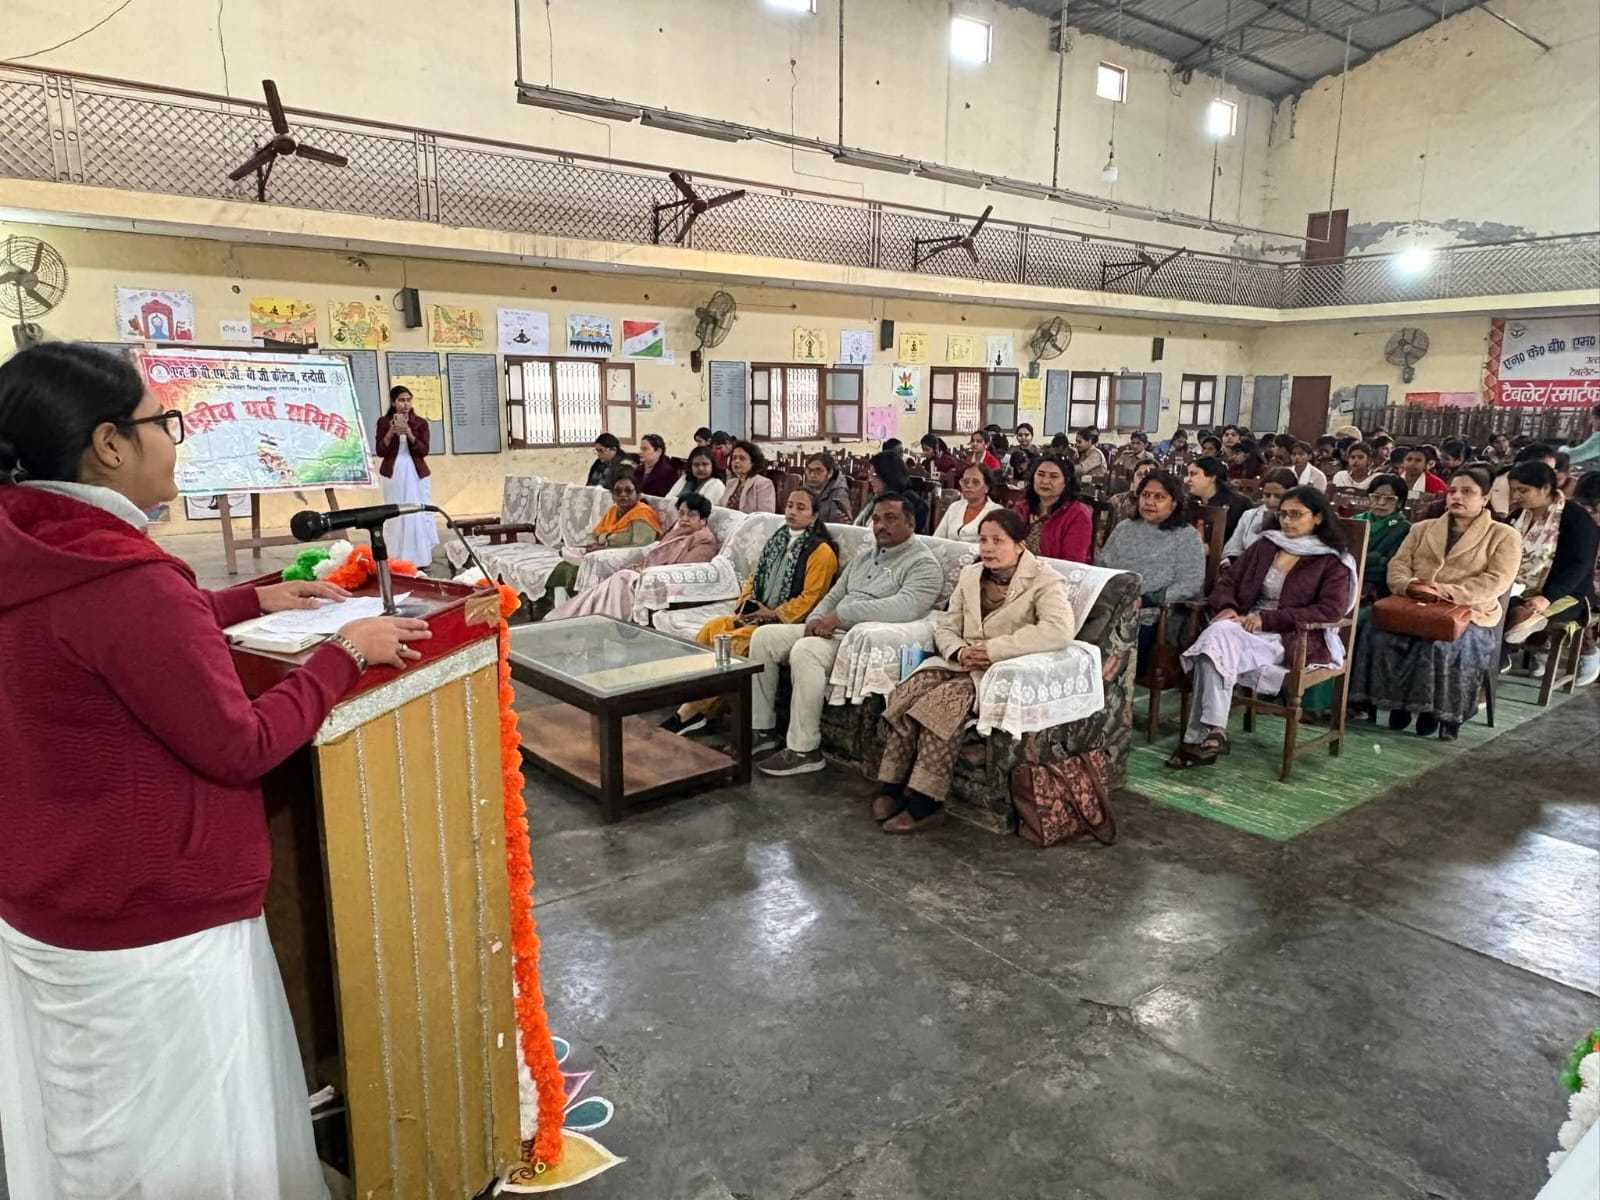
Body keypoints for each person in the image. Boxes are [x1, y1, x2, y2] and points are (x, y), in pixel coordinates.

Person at [0, 342, 429, 1197]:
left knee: (88, 1138)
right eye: (163, 420)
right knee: (183, 1155)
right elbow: (241, 745)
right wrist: (344, 653)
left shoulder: (35, 548)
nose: (175, 437)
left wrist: (240, 600)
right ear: (110, 444)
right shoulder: (125, 579)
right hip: (152, 926)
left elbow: (98, 638)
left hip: (46, 898)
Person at [873, 509, 1074, 832]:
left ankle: (926, 803)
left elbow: (1058, 631)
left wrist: (993, 650)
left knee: (941, 707)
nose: (988, 548)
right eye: (983, 540)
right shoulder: (971, 575)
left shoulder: (1044, 580)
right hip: (959, 661)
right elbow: (947, 624)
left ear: (1019, 545)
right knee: (907, 693)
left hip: (995, 671)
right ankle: (893, 785)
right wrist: (958, 650)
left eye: (998, 540)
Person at [753, 494, 943, 776]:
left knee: (806, 650)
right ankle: (761, 730)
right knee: (764, 638)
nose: (881, 526)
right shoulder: (865, 556)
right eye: (876, 519)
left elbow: (905, 607)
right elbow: (835, 593)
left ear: (911, 523)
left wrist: (841, 617)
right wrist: (815, 619)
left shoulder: (924, 564)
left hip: (861, 640)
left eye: (890, 518)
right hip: (833, 628)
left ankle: (804, 750)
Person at [1166, 487, 1356, 767]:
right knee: (1217, 636)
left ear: (1317, 517)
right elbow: (1228, 580)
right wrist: (1228, 606)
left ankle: (1203, 735)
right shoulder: (1266, 545)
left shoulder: (1331, 559)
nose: (1287, 521)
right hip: (1245, 626)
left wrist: (1268, 620)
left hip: (1291, 635)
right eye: (1283, 514)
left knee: (1212, 647)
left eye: (1296, 514)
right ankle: (1214, 733)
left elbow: (1330, 610)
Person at [1347, 465, 1522, 740]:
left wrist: (1444, 592)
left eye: (1467, 492)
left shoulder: (1503, 535)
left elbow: (1496, 581)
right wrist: (1409, 585)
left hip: (1469, 611)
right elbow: (1398, 565)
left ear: (1485, 498)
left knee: (1441, 644)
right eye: (1452, 491)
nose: (1457, 497)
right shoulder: (1422, 528)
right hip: (1415, 603)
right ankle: (1395, 705)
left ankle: (1437, 714)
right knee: (1375, 630)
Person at [662, 489, 840, 735]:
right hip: (757, 615)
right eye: (790, 505)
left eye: (801, 508)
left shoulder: (822, 552)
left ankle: (691, 713)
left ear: (814, 516)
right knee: (712, 629)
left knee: (733, 644)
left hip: (783, 624)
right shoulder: (777, 540)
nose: (792, 512)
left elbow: (812, 597)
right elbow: (754, 578)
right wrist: (747, 603)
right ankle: (700, 709)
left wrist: (772, 614)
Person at [547, 492, 721, 622]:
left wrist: (646, 573)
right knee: (613, 581)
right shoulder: (678, 532)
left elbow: (685, 571)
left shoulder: (704, 540)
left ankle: (597, 621)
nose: (684, 518)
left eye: (691, 515)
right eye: (681, 513)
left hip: (666, 583)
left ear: (703, 520)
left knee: (623, 577)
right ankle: (577, 618)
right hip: (649, 576)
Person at [1097, 470, 1206, 668]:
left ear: (1174, 503)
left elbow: (1191, 582)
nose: (1149, 502)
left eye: (1159, 497)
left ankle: (1109, 676)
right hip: (1113, 603)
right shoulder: (1125, 528)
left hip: (1156, 611)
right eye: (1145, 495)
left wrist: (1149, 599)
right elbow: (1102, 566)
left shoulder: (1186, 536)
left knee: (1119, 630)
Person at [1502, 460, 1599, 645]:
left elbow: (1580, 564)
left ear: (1545, 489)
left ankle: (1522, 623)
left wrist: (1547, 597)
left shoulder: (1575, 518)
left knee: (1509, 616)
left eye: (1522, 490)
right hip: (1519, 589)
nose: (1515, 496)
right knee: (1491, 609)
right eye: (1513, 490)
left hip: (1567, 593)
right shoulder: (1517, 516)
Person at [538, 474, 661, 612]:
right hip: (598, 558)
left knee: (576, 570)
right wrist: (593, 545)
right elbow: (595, 534)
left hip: (625, 563)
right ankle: (561, 611)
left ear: (638, 495)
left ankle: (583, 612)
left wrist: (604, 549)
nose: (623, 495)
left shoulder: (643, 514)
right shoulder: (614, 511)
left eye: (628, 491)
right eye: (618, 491)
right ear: (612, 496)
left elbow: (642, 548)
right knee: (565, 567)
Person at [374, 384, 438, 566]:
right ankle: (396, 557)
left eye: (408, 400)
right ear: (393, 402)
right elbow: (380, 451)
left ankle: (420, 557)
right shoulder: (383, 422)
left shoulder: (420, 423)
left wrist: (409, 433)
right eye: (401, 400)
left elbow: (424, 450)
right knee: (396, 513)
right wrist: (390, 432)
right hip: (393, 472)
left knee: (416, 511)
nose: (405, 404)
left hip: (416, 472)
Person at [1016, 454, 1093, 563]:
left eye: (1054, 476)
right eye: (1040, 474)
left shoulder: (1078, 514)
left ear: (1066, 482)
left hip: (1057, 571)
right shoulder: (1022, 507)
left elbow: (1072, 562)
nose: (1045, 481)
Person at [1354, 474, 1412, 601]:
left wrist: (1359, 560)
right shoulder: (1355, 521)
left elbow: (1388, 566)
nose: (1381, 502)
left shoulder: (1405, 529)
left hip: (1378, 589)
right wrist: (1375, 558)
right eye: (1376, 497)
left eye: (1389, 499)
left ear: (1400, 502)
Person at [1223, 467, 1297, 560]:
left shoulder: (1298, 521)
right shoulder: (1249, 515)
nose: (1271, 501)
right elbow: (1233, 547)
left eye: (1278, 496)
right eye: (1267, 495)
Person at [1569, 471, 1600, 686]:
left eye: (1594, 508)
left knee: (1581, 595)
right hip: (1583, 582)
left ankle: (1588, 651)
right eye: (1584, 507)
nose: (1588, 512)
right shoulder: (1577, 523)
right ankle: (1540, 647)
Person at [855, 449, 927, 533]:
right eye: (869, 473)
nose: (870, 479)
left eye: (874, 474)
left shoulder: (906, 502)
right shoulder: (877, 498)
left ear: (887, 475)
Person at [1184, 455, 1252, 541]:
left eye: (1193, 474)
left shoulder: (1239, 505)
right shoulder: (1188, 504)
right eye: (1187, 475)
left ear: (1212, 477)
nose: (1186, 480)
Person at [932, 462, 1002, 543]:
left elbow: (995, 546)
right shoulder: (954, 507)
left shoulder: (996, 513)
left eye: (975, 482)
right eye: (965, 481)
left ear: (987, 488)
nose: (969, 485)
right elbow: (936, 539)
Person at [722, 440, 777, 513]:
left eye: (742, 458)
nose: (737, 461)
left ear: (753, 463)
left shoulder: (763, 484)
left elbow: (765, 515)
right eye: (734, 458)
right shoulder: (730, 483)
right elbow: (721, 508)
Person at [803, 450, 853, 523]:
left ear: (830, 473)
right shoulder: (807, 487)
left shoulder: (839, 494)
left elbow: (836, 525)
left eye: (818, 471)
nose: (812, 475)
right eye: (809, 470)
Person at [1113, 456, 1159, 522]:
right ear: (1133, 478)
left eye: (1149, 476)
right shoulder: (1116, 501)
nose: (1143, 480)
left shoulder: (1161, 506)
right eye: (1140, 475)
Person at [633, 432, 679, 497]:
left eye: (645, 449)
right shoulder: (637, 470)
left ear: (658, 451)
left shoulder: (669, 474)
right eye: (641, 449)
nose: (640, 452)